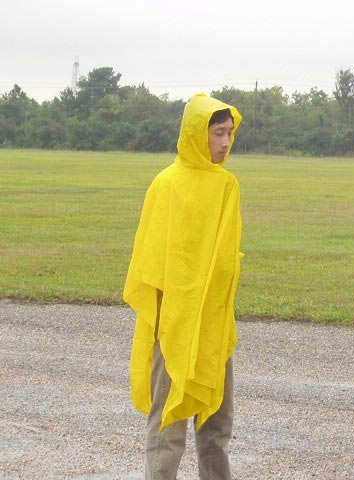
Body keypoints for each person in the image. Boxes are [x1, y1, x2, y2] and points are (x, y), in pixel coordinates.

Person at [123, 93, 244, 479]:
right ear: (195, 133)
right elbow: (152, 261)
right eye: (217, 133)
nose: (225, 142)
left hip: (213, 323)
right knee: (167, 423)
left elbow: (225, 260)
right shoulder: (167, 185)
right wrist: (164, 323)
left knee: (216, 423)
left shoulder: (227, 186)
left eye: (229, 133)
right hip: (174, 323)